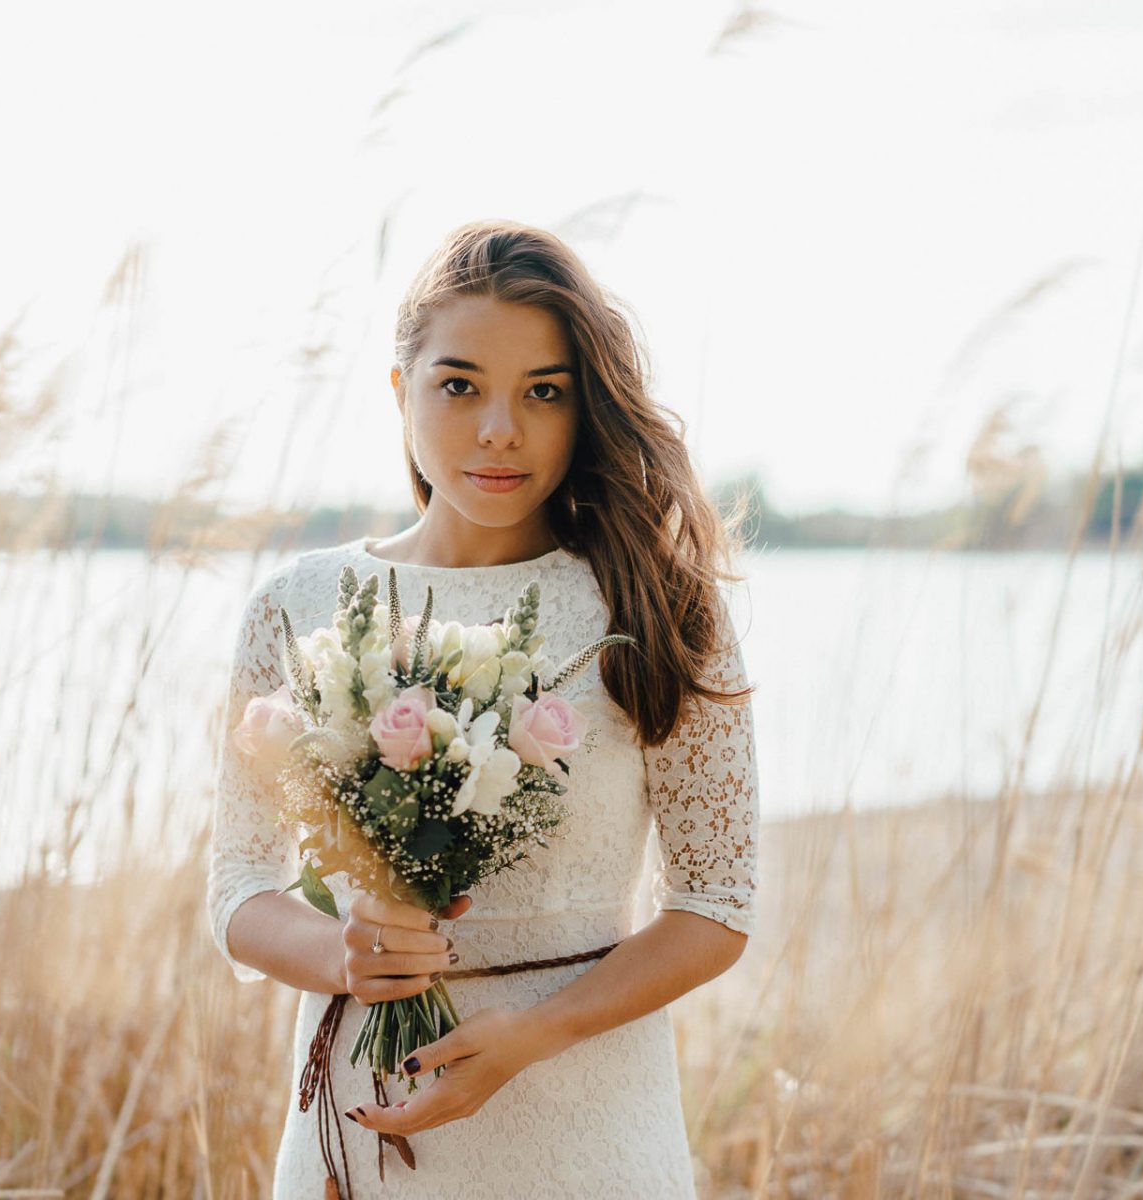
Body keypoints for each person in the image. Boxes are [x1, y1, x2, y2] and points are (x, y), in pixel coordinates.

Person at [206, 219, 760, 1199]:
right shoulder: (298, 605)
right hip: (362, 1125)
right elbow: (241, 888)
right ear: (400, 392)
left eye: (543, 392)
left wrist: (532, 1037)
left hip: (588, 1127)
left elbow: (714, 907)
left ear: (585, 409)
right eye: (460, 385)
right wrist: (342, 952)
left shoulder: (657, 607)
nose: (499, 429)